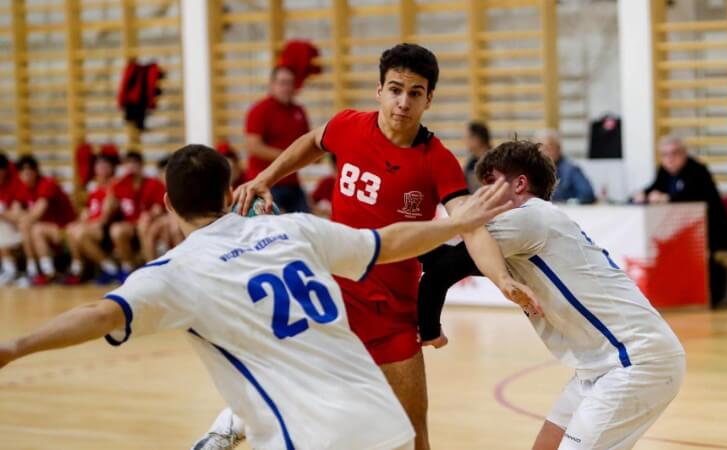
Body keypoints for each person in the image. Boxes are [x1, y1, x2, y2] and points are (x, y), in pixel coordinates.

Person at [0, 144, 518, 450]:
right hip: (386, 425)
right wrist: (458, 220)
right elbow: (390, 241)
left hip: (316, 439)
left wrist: (16, 347)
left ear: (167, 204)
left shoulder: (176, 272)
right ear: (230, 194)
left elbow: (98, 314)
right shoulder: (296, 229)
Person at [222, 43, 539, 450]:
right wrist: (265, 177)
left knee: (414, 433)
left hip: (393, 313)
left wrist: (501, 279)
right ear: (379, 90)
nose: (403, 102)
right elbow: (313, 141)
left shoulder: (436, 159)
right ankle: (229, 425)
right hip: (334, 302)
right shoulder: (349, 125)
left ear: (428, 99)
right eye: (395, 90)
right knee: (304, 410)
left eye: (415, 93)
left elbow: (471, 226)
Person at [419, 140, 686, 450]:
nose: (481, 196)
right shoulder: (528, 229)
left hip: (636, 361)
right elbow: (438, 259)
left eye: (490, 184)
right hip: (600, 366)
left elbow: (441, 270)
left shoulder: (528, 219)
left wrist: (429, 328)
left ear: (519, 184)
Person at [633, 135, 727, 307]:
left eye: (674, 153)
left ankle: (707, 293)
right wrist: (642, 194)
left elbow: (696, 197)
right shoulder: (664, 172)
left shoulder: (698, 171)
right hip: (678, 229)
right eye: (665, 155)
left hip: (712, 228)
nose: (670, 159)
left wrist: (668, 198)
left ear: (684, 153)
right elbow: (654, 188)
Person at [244, 66, 310, 212]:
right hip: (265, 182)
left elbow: (307, 142)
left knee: (305, 221)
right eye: (283, 83)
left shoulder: (299, 111)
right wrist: (287, 156)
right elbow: (254, 146)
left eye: (290, 83)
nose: (287, 88)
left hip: (292, 182)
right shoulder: (260, 110)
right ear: (272, 85)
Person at [16, 155, 77, 286]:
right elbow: (15, 212)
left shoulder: (47, 184)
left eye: (30, 171)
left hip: (65, 228)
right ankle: (36, 270)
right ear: (19, 175)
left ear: (36, 171)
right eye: (23, 172)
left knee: (34, 228)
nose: (27, 175)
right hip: (48, 229)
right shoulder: (23, 188)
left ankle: (46, 272)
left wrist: (20, 217)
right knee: (26, 226)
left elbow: (35, 214)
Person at [105, 151, 165, 282]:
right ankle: (129, 266)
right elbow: (108, 211)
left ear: (141, 165)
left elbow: (159, 208)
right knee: (116, 230)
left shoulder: (153, 183)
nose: (131, 166)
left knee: (144, 225)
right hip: (131, 224)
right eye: (128, 163)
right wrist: (110, 194)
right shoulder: (118, 185)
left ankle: (151, 268)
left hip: (150, 222)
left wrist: (150, 215)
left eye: (135, 163)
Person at [64, 153, 119, 285]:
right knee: (71, 230)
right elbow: (86, 212)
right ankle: (78, 268)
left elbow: (105, 216)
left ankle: (111, 269)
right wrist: (79, 223)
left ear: (111, 168)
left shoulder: (114, 186)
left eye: (105, 165)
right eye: (98, 165)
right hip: (92, 226)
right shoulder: (93, 189)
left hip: (106, 229)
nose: (101, 168)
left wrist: (89, 225)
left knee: (81, 234)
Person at [535, 129, 596, 204]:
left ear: (558, 149)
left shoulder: (571, 169)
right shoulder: (534, 171)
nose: (544, 153)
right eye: (539, 150)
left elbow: (587, 195)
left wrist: (567, 202)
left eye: (547, 148)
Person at [0, 153, 26, 285]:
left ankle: (10, 271)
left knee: (2, 228)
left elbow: (17, 216)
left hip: (16, 229)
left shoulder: (15, 185)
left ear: (4, 170)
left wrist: (2, 213)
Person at [463, 121, 491, 191]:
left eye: (468, 137)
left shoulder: (497, 161)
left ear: (477, 139)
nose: (465, 141)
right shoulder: (471, 163)